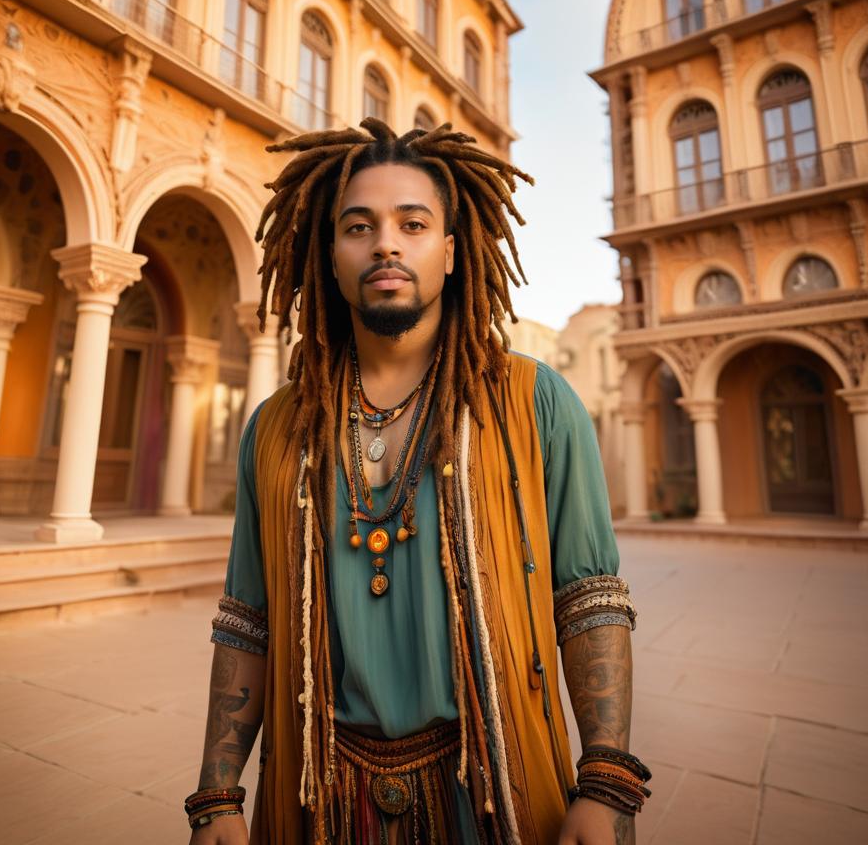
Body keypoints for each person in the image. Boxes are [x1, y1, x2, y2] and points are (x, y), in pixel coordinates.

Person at [186, 120, 649, 845]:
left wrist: (607, 780)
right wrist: (217, 795)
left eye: (413, 223)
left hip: (497, 793)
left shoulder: (534, 402)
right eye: (358, 226)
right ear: (329, 257)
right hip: (317, 802)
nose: (386, 244)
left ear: (452, 253)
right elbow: (248, 618)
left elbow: (589, 600)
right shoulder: (277, 428)